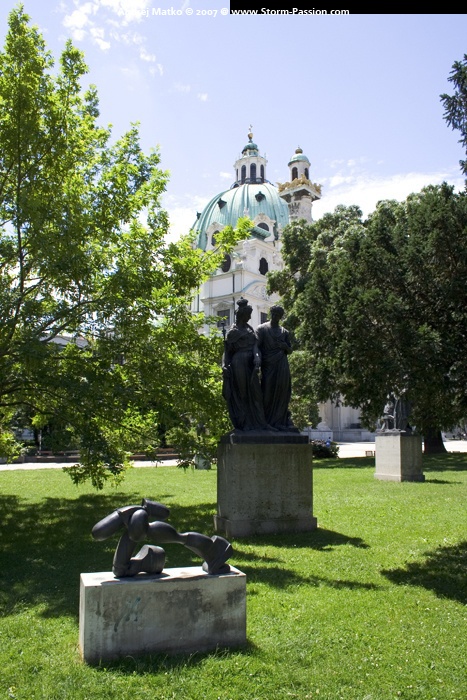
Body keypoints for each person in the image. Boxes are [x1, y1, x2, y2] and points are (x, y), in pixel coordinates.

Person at [92, 498, 232, 577]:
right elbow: (98, 533)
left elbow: (99, 532)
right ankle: (213, 550)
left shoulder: (138, 517)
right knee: (120, 570)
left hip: (141, 527)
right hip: (146, 553)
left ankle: (213, 550)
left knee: (121, 569)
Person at [222, 297, 269, 431]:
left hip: (251, 364)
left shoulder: (250, 330)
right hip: (239, 363)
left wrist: (257, 356)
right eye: (248, 315)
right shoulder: (233, 332)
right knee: (242, 393)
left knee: (256, 393)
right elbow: (227, 352)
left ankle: (259, 423)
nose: (250, 317)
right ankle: (244, 423)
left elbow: (255, 346)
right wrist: (224, 366)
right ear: (243, 315)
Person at [255, 305, 296, 431]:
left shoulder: (284, 332)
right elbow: (256, 346)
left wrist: (285, 346)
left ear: (281, 317)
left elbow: (290, 350)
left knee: (282, 393)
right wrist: (257, 358)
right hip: (268, 365)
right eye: (274, 314)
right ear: (270, 314)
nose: (275, 317)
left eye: (278, 315)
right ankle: (265, 422)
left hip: (282, 365)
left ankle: (280, 421)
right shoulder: (262, 329)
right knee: (267, 392)